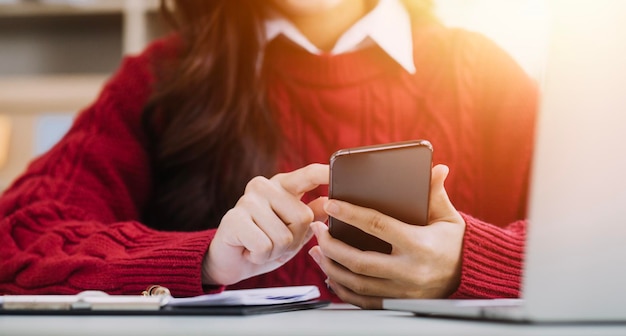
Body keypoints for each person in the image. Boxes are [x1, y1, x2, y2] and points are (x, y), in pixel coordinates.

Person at [0, 0, 537, 309]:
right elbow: (19, 237)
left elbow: (608, 247)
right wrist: (205, 256)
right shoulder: (161, 81)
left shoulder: (485, 76)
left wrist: (470, 263)